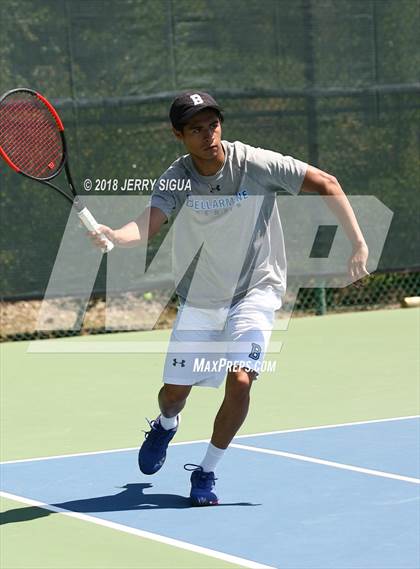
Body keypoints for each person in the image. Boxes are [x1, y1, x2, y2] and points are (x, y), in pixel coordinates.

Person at [89, 91, 369, 506]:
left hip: (257, 289)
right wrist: (115, 234)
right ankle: (166, 425)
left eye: (213, 124)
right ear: (178, 135)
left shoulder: (253, 163)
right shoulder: (178, 177)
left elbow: (326, 182)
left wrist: (358, 243)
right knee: (173, 393)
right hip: (202, 296)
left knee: (241, 380)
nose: (209, 135)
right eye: (197, 129)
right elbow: (148, 223)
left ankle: (206, 472)